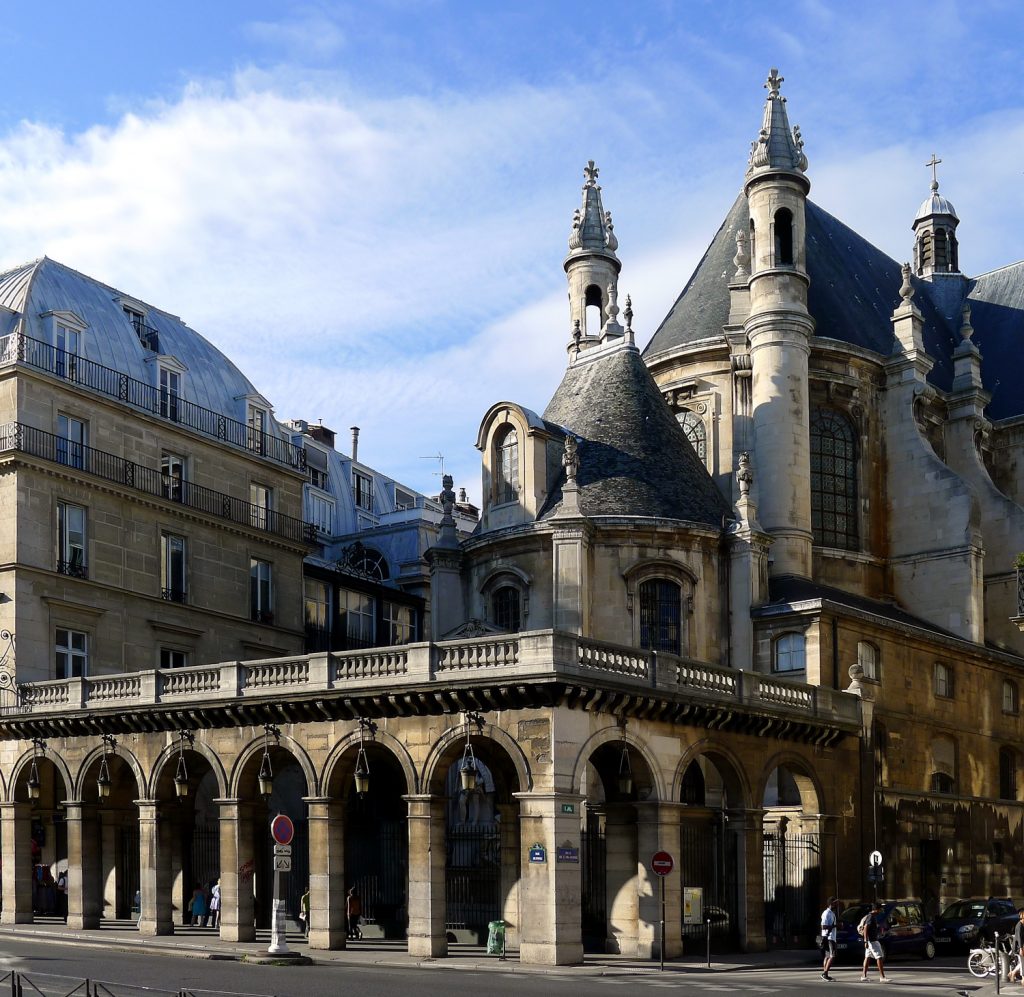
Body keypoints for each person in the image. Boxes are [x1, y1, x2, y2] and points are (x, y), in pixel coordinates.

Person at [859, 902, 890, 983]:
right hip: (872, 941)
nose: (881, 910)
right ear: (876, 909)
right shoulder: (871, 917)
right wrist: (865, 940)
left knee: (867, 957)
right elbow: (866, 928)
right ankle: (882, 977)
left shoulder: (872, 917)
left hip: (870, 941)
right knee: (879, 957)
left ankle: (863, 976)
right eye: (880, 909)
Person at [819, 897, 838, 981]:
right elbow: (823, 926)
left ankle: (825, 974)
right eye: (835, 903)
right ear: (831, 904)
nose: (837, 905)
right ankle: (825, 973)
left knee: (827, 956)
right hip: (829, 937)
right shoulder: (826, 913)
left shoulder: (832, 913)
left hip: (830, 936)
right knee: (832, 956)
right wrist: (835, 926)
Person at [1008, 907, 1024, 983]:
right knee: (1022, 962)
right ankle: (1022, 978)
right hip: (1018, 947)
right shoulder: (1019, 925)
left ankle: (1013, 973)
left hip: (1022, 946)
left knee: (1022, 962)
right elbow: (1019, 938)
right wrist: (1021, 948)